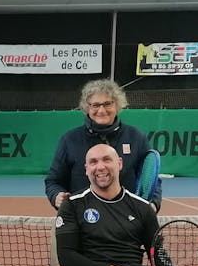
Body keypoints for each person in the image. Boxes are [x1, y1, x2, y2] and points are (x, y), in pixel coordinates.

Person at [44, 79, 161, 213]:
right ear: (87, 108)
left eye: (107, 104)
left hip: (127, 216)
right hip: (81, 216)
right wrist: (56, 196)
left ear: (117, 105)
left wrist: (154, 203)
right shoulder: (69, 139)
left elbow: (151, 179)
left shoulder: (136, 137)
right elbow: (53, 181)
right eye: (95, 105)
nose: (101, 110)